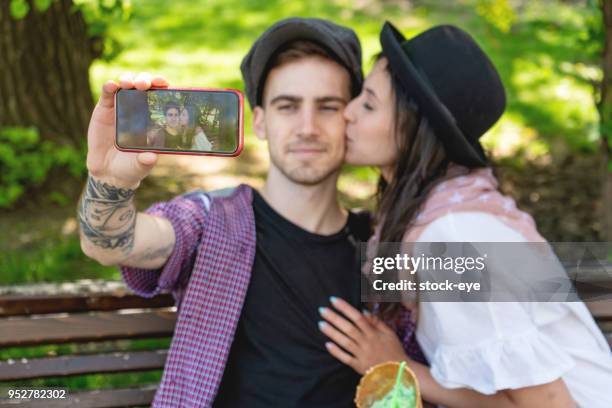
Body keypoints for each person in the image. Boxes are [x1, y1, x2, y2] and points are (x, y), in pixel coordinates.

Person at [77, 18, 421, 408]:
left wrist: (402, 365)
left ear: (351, 118)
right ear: (260, 120)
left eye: (328, 107)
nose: (307, 128)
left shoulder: (384, 243)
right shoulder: (213, 222)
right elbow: (108, 245)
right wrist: (110, 182)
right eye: (287, 106)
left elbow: (492, 305)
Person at [317, 22, 612, 407]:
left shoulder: (453, 241)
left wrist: (396, 366)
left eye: (369, 104)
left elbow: (547, 403)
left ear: (413, 129)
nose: (348, 113)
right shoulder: (428, 214)